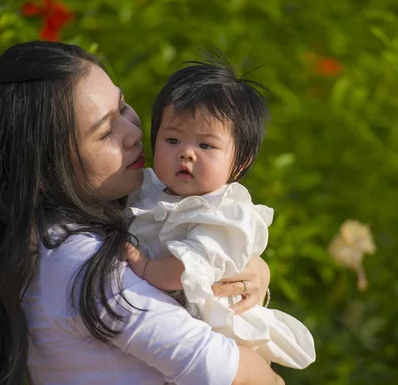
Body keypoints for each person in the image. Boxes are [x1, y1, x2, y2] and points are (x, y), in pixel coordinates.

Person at [0, 41, 285, 385]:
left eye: (122, 107)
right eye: (106, 132)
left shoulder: (58, 235)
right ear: (44, 172)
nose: (135, 133)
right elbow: (256, 380)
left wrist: (249, 266)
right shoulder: (85, 266)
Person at [124, 54, 316, 370]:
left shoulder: (224, 215)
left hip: (213, 333)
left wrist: (143, 267)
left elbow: (185, 270)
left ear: (240, 162)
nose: (186, 152)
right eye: (172, 139)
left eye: (206, 146)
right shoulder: (145, 188)